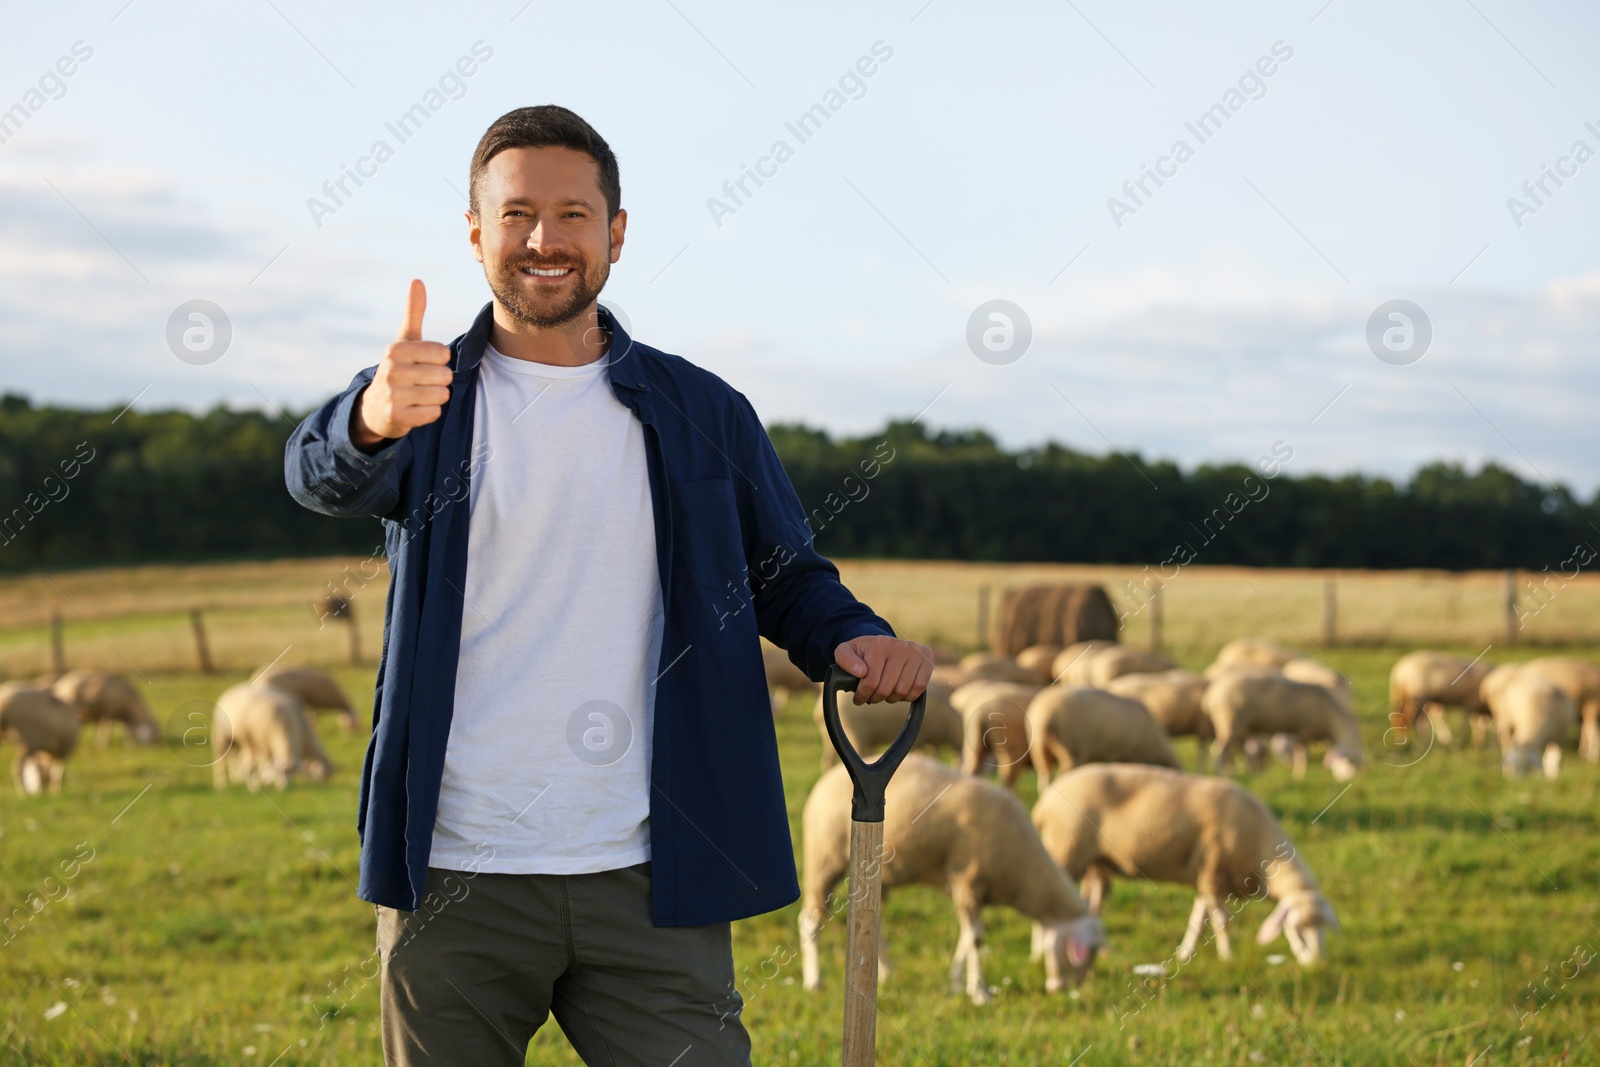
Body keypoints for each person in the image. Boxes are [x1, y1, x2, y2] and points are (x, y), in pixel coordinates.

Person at [284, 104, 932, 1066]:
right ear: (475, 235)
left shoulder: (704, 410)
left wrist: (851, 633)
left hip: (650, 873)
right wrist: (370, 415)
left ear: (616, 233)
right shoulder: (424, 399)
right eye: (515, 215)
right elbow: (315, 471)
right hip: (457, 875)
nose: (544, 239)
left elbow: (786, 577)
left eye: (574, 214)